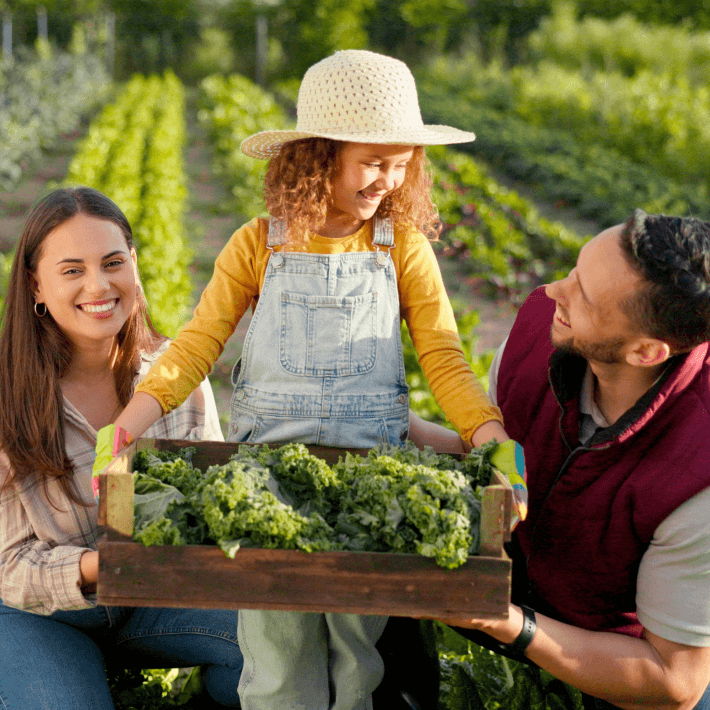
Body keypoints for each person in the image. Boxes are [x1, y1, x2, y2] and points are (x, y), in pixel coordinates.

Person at [111, 49, 512, 710]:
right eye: (372, 162)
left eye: (402, 163)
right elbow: (197, 342)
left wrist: (490, 435)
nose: (389, 178)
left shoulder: (402, 247)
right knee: (276, 654)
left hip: (371, 486)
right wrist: (127, 424)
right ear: (319, 155)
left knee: (362, 658)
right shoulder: (257, 244)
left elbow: (443, 354)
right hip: (268, 481)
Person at [412, 209, 710, 710]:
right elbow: (497, 463)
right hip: (527, 575)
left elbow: (674, 681)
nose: (553, 291)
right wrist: (392, 423)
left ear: (645, 351)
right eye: (574, 270)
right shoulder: (539, 331)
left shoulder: (697, 470)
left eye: (583, 296)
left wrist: (508, 622)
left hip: (626, 643)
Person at [0, 187, 243, 709]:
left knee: (280, 649)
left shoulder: (175, 377)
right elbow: (7, 569)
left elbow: (213, 506)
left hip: (151, 603)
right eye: (72, 270)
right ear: (35, 286)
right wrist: (105, 564)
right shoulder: (7, 400)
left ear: (133, 265)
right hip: (31, 613)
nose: (98, 285)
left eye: (113, 262)